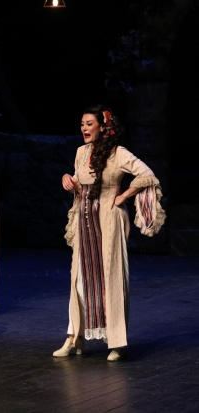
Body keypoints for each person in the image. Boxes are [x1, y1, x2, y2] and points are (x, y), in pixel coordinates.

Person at [55, 105, 165, 361]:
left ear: (102, 127)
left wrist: (123, 196)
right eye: (82, 124)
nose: (84, 128)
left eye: (89, 124)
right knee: (79, 279)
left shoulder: (118, 153)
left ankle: (117, 342)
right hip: (85, 220)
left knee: (111, 277)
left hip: (109, 219)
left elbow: (147, 175)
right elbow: (79, 182)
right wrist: (68, 179)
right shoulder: (81, 152)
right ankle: (74, 338)